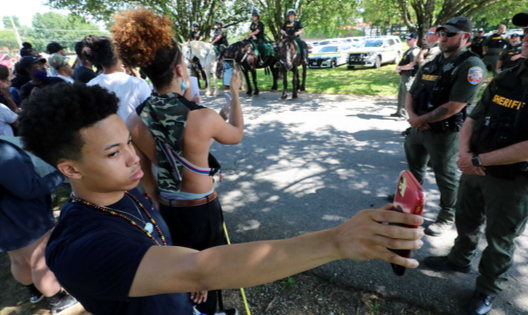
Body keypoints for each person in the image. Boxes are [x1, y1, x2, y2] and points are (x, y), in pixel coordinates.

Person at [17, 84, 425, 315]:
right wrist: (338, 241)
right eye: (112, 153)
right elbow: (202, 268)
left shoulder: (122, 191)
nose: (133, 158)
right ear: (70, 169)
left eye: (127, 143)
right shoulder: (81, 245)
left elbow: (162, 251)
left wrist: (178, 280)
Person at [424, 3, 528, 315]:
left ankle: (487, 289)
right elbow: (472, 118)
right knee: (466, 220)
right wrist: (466, 155)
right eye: (526, 30)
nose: (526, 36)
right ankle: (458, 260)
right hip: (475, 165)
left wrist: (478, 160)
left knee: (500, 239)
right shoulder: (508, 75)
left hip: (514, 179)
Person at [112, 8, 237, 314]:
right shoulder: (202, 116)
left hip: (167, 208)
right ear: (181, 70)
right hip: (202, 209)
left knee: (184, 276)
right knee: (208, 275)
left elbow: (148, 180)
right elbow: (236, 135)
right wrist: (233, 95)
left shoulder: (133, 118)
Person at [404, 17, 487, 236]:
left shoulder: (471, 65)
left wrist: (421, 120)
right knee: (414, 170)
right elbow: (411, 92)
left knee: (446, 175)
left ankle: (446, 216)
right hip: (417, 128)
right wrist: (413, 117)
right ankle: (410, 205)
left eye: (449, 34)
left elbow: (455, 106)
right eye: (441, 33)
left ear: (465, 37)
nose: (443, 37)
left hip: (444, 132)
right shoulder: (433, 60)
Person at [0, 138, 80, 314]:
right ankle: (57, 300)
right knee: (41, 261)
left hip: (5, 224)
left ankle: (35, 291)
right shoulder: (1, 151)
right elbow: (28, 188)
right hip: (22, 217)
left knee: (18, 259)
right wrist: (60, 174)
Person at [82, 35, 152, 122]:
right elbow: (150, 117)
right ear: (119, 55)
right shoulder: (138, 84)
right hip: (135, 134)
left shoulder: (90, 86)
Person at [393, 32, 420, 118]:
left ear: (415, 40)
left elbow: (411, 65)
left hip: (409, 76)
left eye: (409, 39)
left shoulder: (415, 51)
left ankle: (404, 114)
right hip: (404, 75)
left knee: (406, 95)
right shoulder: (409, 50)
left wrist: (400, 67)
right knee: (401, 93)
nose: (407, 41)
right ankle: (399, 112)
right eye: (406, 39)